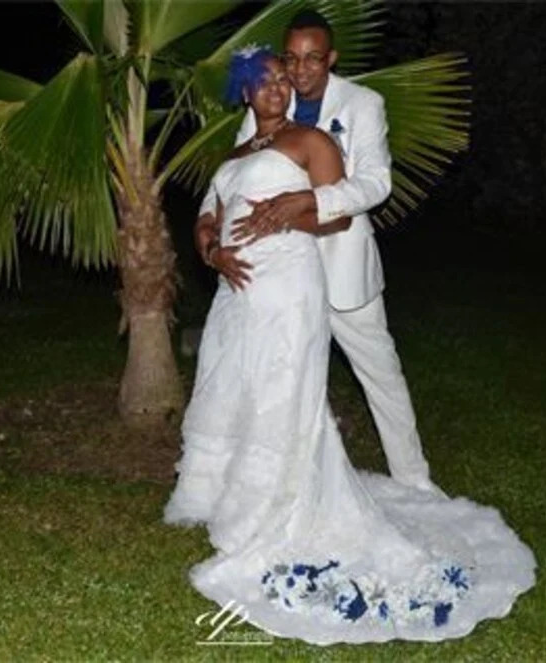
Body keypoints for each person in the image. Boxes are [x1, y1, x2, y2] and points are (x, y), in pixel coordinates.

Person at [164, 46, 536, 645]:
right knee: (229, 382)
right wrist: (212, 251)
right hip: (237, 292)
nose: (276, 88)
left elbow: (338, 215)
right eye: (263, 81)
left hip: (289, 283)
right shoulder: (236, 152)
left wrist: (289, 214)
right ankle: (219, 490)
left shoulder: (312, 141)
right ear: (245, 93)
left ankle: (275, 504)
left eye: (282, 80)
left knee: (286, 387)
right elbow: (211, 212)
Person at [195, 9, 435, 492]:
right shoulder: (263, 105)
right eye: (292, 58)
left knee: (380, 373)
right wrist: (208, 231)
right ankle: (287, 478)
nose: (300, 70)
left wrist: (309, 201)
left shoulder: (362, 104)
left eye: (312, 59)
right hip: (277, 274)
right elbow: (233, 178)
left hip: (341, 263)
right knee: (279, 375)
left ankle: (415, 481)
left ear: (331, 59)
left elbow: (375, 182)